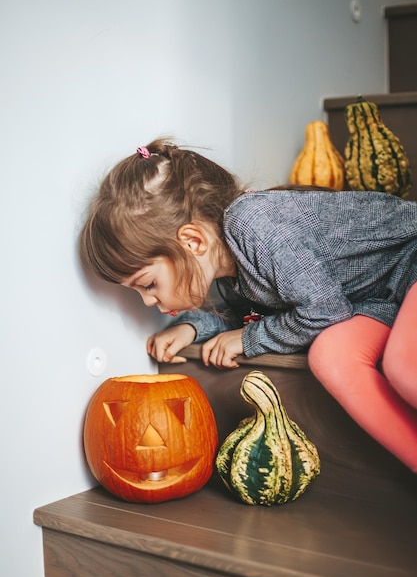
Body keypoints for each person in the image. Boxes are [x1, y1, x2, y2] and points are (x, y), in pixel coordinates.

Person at [80, 138, 417, 472]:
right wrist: (191, 327)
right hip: (377, 299)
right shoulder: (228, 268)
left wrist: (249, 338)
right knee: (331, 358)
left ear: (192, 241)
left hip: (409, 263)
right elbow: (236, 309)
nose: (149, 301)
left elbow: (324, 311)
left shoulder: (254, 224)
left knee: (403, 368)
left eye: (149, 285)